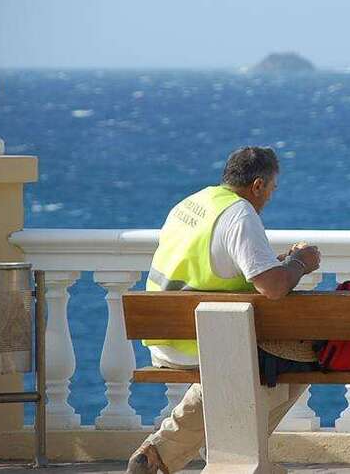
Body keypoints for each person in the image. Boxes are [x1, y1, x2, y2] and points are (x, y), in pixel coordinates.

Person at [128, 146, 321, 474]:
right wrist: (299, 263)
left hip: (163, 335)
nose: (269, 199)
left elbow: (214, 267)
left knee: (263, 370)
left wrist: (273, 264)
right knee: (305, 358)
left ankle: (164, 455)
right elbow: (273, 288)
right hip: (203, 342)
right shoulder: (239, 214)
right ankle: (236, 453)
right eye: (271, 190)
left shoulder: (191, 203)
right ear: (257, 185)